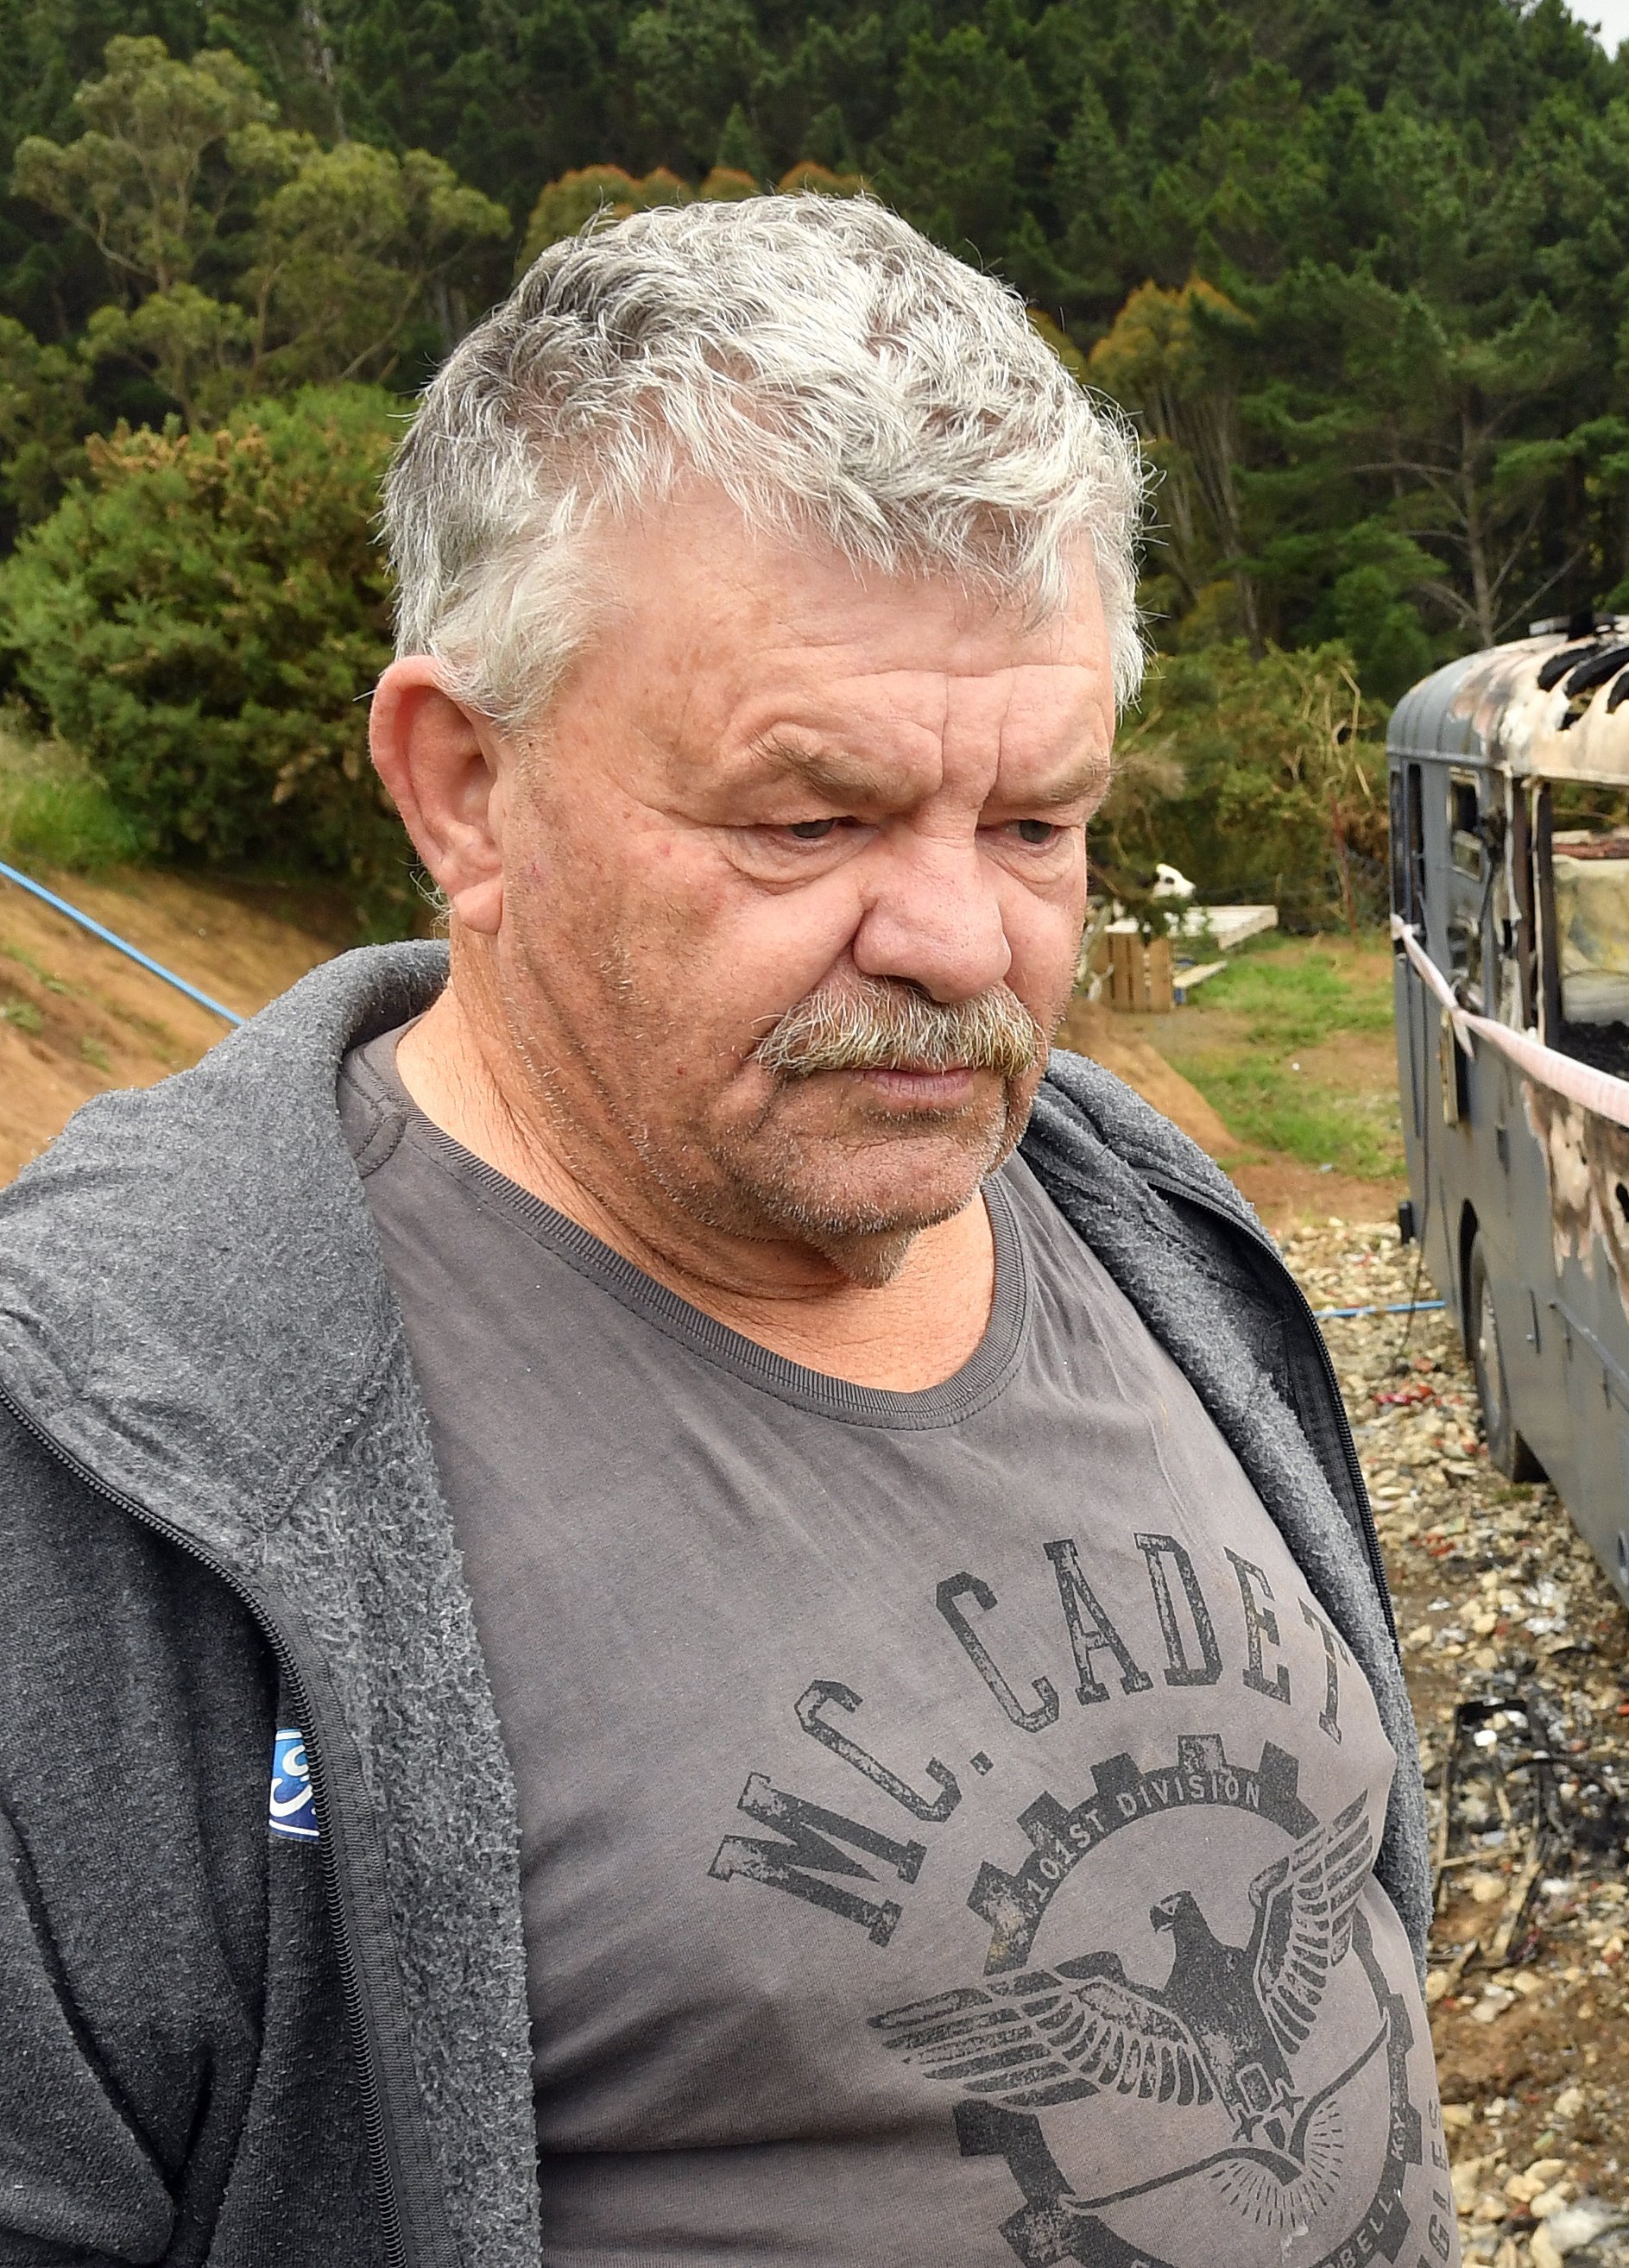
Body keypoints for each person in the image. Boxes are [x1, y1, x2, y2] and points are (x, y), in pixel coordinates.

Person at [0, 196, 1452, 2268]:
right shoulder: (122, 1468)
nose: (964, 940)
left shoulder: (1155, 1236)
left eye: (1038, 821)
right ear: (464, 787)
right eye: (809, 820)